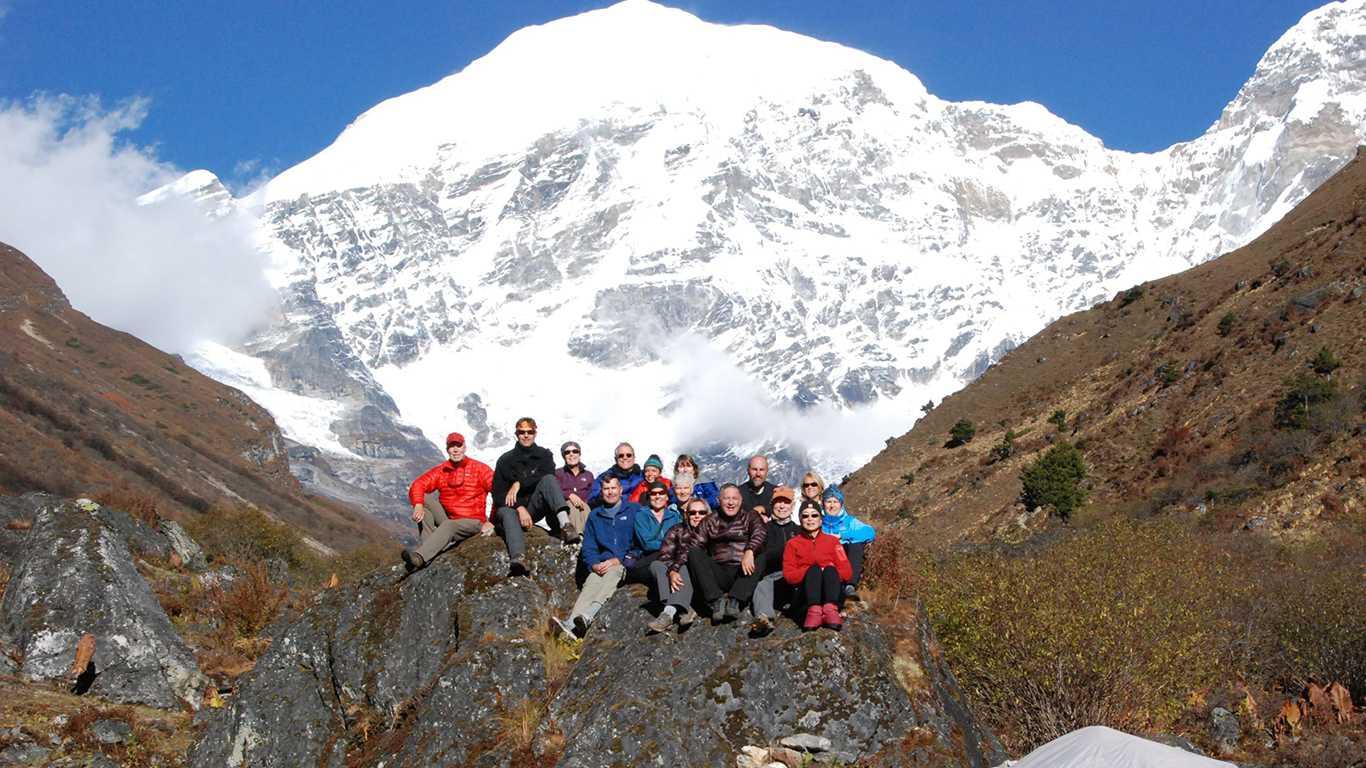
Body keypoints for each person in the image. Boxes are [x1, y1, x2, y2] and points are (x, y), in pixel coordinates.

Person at [552, 475, 641, 638]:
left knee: (613, 573)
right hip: (603, 564)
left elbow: (640, 541)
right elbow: (589, 546)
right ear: (601, 492)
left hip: (625, 563)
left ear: (620, 490)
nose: (610, 492)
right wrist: (593, 564)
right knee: (592, 581)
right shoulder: (595, 516)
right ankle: (571, 624)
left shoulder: (634, 510)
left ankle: (588, 615)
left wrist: (619, 559)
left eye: (613, 488)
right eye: (606, 489)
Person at [400, 432, 493, 572]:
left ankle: (420, 557)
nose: (455, 449)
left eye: (458, 445)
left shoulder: (480, 469)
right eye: (451, 446)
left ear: (464, 447)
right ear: (447, 449)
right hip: (450, 518)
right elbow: (418, 484)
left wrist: (492, 521)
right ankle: (430, 551)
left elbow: (500, 492)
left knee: (450, 525)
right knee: (424, 504)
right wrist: (418, 504)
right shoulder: (442, 470)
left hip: (473, 522)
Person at [492, 417, 570, 577]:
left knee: (549, 480)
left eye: (530, 432)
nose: (526, 435)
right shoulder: (505, 460)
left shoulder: (544, 455)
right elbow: (498, 494)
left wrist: (519, 483)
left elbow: (547, 475)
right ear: (516, 434)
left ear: (535, 433)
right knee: (507, 512)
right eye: (522, 432)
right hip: (511, 509)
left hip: (534, 507)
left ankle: (566, 526)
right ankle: (518, 558)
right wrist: (519, 507)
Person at [686, 484, 767, 624]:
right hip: (719, 572)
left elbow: (760, 534)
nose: (731, 502)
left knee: (761, 555)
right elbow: (694, 544)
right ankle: (716, 601)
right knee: (694, 552)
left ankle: (736, 601)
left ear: (741, 500)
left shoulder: (751, 516)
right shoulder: (709, 520)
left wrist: (749, 550)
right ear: (719, 500)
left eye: (734, 498)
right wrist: (674, 569)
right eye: (726, 498)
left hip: (743, 572)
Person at [784, 500, 853, 630]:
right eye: (805, 516)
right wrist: (811, 571)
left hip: (831, 592)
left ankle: (830, 610)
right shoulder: (792, 544)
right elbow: (789, 575)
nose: (810, 519)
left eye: (814, 515)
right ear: (800, 520)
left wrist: (826, 570)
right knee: (814, 570)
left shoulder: (833, 542)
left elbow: (847, 571)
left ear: (821, 520)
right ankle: (814, 611)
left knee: (830, 570)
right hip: (805, 595)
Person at [646, 497, 709, 634]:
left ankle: (668, 614)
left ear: (707, 514)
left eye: (701, 512)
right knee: (656, 565)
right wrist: (671, 571)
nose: (697, 516)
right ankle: (681, 608)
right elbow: (664, 555)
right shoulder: (677, 530)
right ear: (687, 515)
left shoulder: (713, 532)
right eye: (693, 513)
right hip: (676, 574)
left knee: (685, 566)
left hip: (698, 576)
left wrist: (676, 569)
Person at [748, 485, 800, 636]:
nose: (782, 506)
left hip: (795, 577)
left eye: (786, 502)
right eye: (778, 502)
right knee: (761, 585)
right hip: (772, 578)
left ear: (793, 505)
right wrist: (787, 549)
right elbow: (762, 556)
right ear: (772, 505)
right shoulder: (763, 530)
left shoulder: (799, 530)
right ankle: (763, 619)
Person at [821, 486, 876, 596]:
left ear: (841, 504)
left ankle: (850, 585)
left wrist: (843, 536)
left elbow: (870, 532)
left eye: (835, 502)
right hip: (825, 559)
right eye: (828, 501)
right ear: (823, 504)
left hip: (845, 556)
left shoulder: (849, 521)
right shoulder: (818, 521)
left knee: (855, 545)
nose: (832, 505)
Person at [623, 480, 680, 587]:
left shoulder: (674, 516)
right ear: (649, 497)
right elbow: (647, 544)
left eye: (661, 493)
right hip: (648, 558)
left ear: (667, 497)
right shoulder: (641, 516)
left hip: (669, 557)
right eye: (653, 494)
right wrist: (670, 545)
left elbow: (679, 538)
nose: (657, 496)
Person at [555, 441, 593, 543]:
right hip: (565, 511)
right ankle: (577, 537)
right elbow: (554, 492)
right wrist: (569, 495)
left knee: (585, 506)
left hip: (584, 509)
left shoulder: (588, 475)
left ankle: (588, 537)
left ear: (579, 454)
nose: (571, 454)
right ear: (563, 456)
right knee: (571, 505)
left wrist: (582, 501)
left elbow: (592, 494)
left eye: (575, 451)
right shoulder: (558, 474)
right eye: (567, 452)